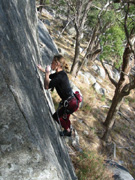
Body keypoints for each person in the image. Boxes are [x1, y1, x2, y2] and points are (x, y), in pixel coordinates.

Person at [37, 54, 82, 136]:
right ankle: (68, 130)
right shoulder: (61, 73)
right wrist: (42, 70)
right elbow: (50, 76)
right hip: (72, 102)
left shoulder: (60, 77)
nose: (51, 64)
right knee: (65, 117)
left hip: (70, 103)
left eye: (52, 63)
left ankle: (68, 131)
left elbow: (46, 86)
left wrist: (47, 72)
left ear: (57, 64)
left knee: (57, 117)